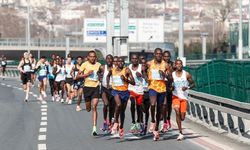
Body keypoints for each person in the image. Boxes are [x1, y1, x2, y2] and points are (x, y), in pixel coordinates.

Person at [146, 48, 171, 141]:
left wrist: (164, 74)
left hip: (162, 89)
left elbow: (170, 78)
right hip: (152, 87)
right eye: (157, 54)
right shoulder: (149, 63)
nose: (159, 55)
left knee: (160, 109)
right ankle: (152, 120)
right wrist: (146, 79)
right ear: (154, 54)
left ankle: (156, 129)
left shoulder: (166, 65)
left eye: (160, 54)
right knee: (152, 104)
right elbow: (144, 71)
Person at [107, 57, 135, 139]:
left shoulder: (126, 70)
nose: (121, 63)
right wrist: (108, 84)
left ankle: (121, 127)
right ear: (116, 63)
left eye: (122, 61)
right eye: (119, 61)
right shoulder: (112, 70)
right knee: (118, 105)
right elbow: (108, 76)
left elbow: (133, 82)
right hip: (115, 91)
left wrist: (126, 79)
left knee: (122, 111)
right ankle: (115, 122)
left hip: (125, 92)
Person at [78, 51, 102, 136]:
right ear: (88, 57)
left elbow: (103, 72)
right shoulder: (84, 64)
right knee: (88, 108)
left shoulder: (98, 65)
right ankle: (88, 107)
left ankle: (94, 128)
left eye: (94, 57)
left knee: (94, 106)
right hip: (87, 88)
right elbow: (77, 76)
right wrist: (87, 74)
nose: (92, 58)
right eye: (91, 57)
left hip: (95, 87)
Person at [172, 59, 195, 141]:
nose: (178, 65)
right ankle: (180, 133)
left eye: (180, 64)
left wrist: (187, 87)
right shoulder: (172, 75)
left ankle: (180, 125)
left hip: (184, 98)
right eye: (177, 64)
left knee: (182, 117)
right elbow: (168, 85)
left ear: (182, 65)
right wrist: (171, 87)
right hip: (175, 96)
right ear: (175, 65)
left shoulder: (186, 74)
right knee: (177, 112)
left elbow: (193, 84)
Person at [128, 54, 145, 134]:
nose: (134, 60)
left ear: (138, 59)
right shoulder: (128, 67)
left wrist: (141, 75)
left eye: (136, 58)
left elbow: (146, 76)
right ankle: (133, 121)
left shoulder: (141, 67)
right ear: (131, 59)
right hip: (131, 88)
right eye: (133, 58)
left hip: (140, 90)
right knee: (132, 102)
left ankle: (138, 121)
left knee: (139, 107)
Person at [100, 54, 115, 132]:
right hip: (104, 89)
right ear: (106, 60)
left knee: (112, 108)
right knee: (106, 104)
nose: (109, 60)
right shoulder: (103, 67)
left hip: (113, 90)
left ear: (112, 60)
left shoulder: (115, 68)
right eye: (107, 59)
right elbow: (98, 73)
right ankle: (105, 121)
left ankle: (111, 123)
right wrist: (100, 77)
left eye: (110, 59)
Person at [162, 51, 174, 132]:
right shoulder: (160, 64)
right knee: (163, 104)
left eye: (168, 56)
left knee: (169, 105)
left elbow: (175, 75)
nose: (166, 58)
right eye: (165, 56)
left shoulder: (172, 65)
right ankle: (164, 121)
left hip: (170, 86)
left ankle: (168, 118)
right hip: (162, 85)